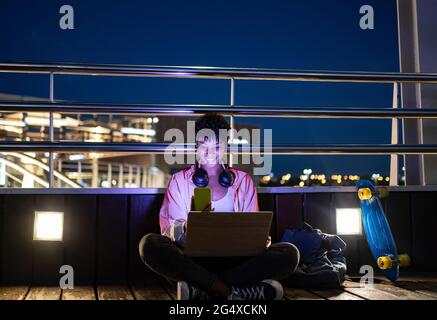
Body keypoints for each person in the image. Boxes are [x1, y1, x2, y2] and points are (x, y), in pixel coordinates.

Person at [139, 113, 299, 300]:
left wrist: (261, 240)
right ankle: (232, 291)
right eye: (204, 147)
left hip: (236, 262)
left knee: (289, 253)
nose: (210, 153)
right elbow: (167, 231)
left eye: (217, 147)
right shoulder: (179, 181)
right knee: (149, 244)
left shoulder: (243, 182)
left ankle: (202, 289)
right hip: (194, 260)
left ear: (226, 147)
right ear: (195, 147)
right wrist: (185, 227)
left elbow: (252, 229)